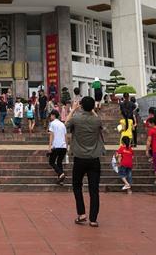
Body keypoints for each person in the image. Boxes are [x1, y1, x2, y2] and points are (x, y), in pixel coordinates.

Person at [66, 96, 105, 227]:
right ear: (93, 107)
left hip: (80, 158)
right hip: (94, 159)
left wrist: (73, 109)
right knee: (94, 190)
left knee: (77, 186)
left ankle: (81, 213)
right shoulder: (97, 120)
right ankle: (93, 219)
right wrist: (91, 110)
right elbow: (99, 123)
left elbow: (66, 124)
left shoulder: (76, 119)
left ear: (81, 105)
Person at [47, 109, 68, 185]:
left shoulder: (52, 123)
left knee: (51, 162)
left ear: (53, 115)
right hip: (63, 146)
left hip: (56, 146)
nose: (50, 117)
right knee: (59, 162)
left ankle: (61, 173)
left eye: (51, 115)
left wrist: (50, 147)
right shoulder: (62, 124)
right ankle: (61, 180)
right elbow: (66, 136)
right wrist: (67, 146)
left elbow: (51, 135)